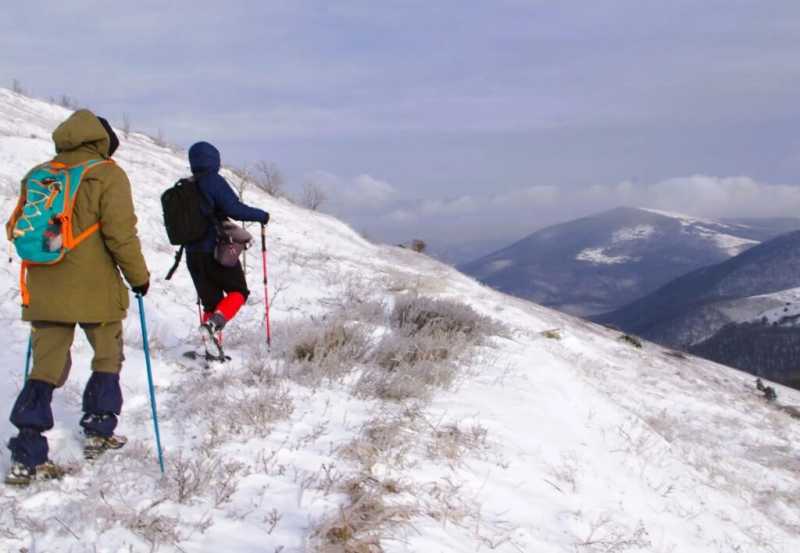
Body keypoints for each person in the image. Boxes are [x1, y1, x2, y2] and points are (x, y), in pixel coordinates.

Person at [4, 110, 149, 486]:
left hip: (44, 284)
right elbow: (120, 234)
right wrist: (139, 278)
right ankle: (99, 428)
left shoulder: (40, 173)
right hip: (95, 288)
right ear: (102, 141)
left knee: (45, 368)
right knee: (107, 355)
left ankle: (27, 453)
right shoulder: (107, 174)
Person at [184, 141, 269, 348]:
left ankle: (210, 350)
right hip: (216, 251)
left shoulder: (185, 186)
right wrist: (262, 215)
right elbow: (234, 209)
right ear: (214, 160)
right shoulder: (213, 181)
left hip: (192, 255)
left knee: (211, 303)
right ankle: (213, 325)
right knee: (238, 292)